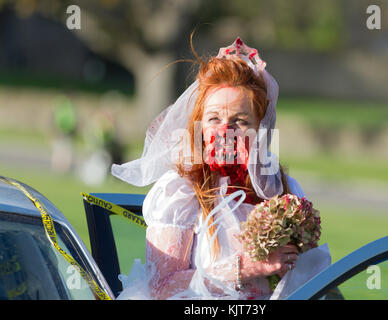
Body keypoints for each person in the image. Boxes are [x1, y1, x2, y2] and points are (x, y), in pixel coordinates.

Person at [111, 38, 331, 300]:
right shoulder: (179, 190)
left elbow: (309, 284)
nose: (225, 131)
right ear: (200, 124)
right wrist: (247, 267)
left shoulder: (284, 189)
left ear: (260, 128)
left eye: (239, 121)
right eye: (214, 118)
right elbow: (163, 288)